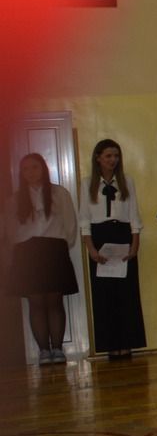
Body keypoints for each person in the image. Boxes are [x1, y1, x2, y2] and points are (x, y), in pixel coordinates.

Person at [80, 139, 145, 360]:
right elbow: (84, 219)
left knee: (126, 293)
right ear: (98, 158)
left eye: (116, 156)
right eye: (108, 156)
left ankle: (127, 343)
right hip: (100, 238)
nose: (113, 160)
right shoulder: (87, 184)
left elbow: (134, 214)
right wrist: (91, 248)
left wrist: (135, 244)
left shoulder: (127, 181)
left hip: (123, 236)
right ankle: (110, 344)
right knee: (104, 295)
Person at [12, 153, 79, 365]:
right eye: (26, 169)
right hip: (27, 253)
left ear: (43, 168)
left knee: (55, 301)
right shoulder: (15, 198)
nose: (31, 172)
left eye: (35, 167)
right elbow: (11, 229)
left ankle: (57, 349)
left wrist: (63, 245)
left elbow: (70, 223)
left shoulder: (59, 193)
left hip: (53, 250)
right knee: (36, 302)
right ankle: (43, 350)